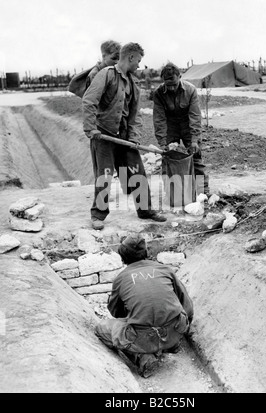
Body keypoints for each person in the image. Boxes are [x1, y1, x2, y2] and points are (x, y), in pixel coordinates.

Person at [82, 43, 167, 230]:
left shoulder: (133, 84)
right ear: (130, 57)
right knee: (104, 176)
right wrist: (90, 128)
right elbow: (89, 100)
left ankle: (145, 210)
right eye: (138, 60)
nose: (139, 65)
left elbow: (135, 115)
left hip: (124, 138)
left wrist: (134, 137)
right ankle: (98, 215)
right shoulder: (106, 75)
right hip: (103, 135)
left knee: (138, 173)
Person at [95, 234, 194, 378]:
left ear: (122, 257)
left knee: (101, 328)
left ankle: (142, 357)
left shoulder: (121, 279)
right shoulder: (165, 270)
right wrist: (183, 330)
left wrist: (135, 313)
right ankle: (171, 345)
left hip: (142, 339)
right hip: (175, 331)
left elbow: (116, 312)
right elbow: (186, 303)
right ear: (147, 253)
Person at [153, 62, 209, 196]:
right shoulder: (159, 93)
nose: (171, 88)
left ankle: (202, 192)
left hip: (187, 125)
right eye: (168, 85)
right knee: (168, 158)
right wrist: (162, 143)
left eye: (174, 84)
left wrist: (195, 140)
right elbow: (159, 119)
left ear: (180, 76)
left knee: (196, 157)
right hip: (170, 126)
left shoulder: (190, 90)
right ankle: (172, 193)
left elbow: (195, 116)